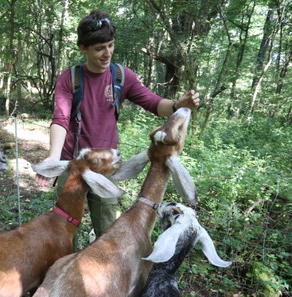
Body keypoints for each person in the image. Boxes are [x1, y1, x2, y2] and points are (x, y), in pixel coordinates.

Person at [35, 9, 200, 245]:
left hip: (106, 167)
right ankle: (65, 273)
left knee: (107, 233)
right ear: (83, 48)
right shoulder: (70, 79)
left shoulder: (122, 77)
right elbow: (61, 119)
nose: (107, 53)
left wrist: (176, 105)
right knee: (65, 233)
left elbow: (153, 103)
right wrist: (52, 157)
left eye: (110, 45)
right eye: (99, 48)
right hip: (73, 165)